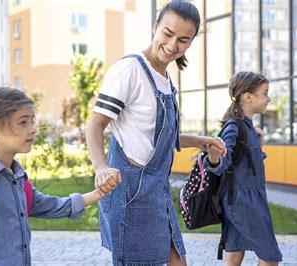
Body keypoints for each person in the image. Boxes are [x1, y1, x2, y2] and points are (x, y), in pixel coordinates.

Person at [86, 1, 225, 265]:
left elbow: (157, 137)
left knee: (177, 262)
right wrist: (100, 167)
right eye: (167, 34)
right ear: (155, 27)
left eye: (183, 40)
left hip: (157, 189)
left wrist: (200, 141)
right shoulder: (130, 70)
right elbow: (95, 125)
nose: (173, 46)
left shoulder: (165, 78)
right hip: (131, 190)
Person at [0, 87, 120, 265]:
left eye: (32, 120)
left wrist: (98, 193)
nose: (33, 129)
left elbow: (52, 206)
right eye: (23, 122)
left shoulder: (17, 180)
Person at [205, 71, 283, 265]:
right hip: (243, 202)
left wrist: (259, 145)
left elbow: (246, 164)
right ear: (248, 97)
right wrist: (214, 158)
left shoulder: (247, 128)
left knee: (235, 253)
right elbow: (221, 161)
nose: (268, 98)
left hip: (242, 198)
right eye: (264, 93)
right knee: (270, 256)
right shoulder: (234, 127)